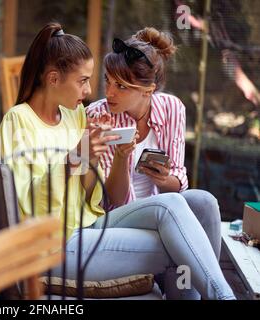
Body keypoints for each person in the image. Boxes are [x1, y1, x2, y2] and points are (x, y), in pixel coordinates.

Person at [0, 22, 235, 300]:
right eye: (83, 81)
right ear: (53, 79)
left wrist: (90, 160)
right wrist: (72, 161)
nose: (89, 92)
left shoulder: (74, 116)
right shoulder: (18, 122)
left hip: (89, 224)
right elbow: (27, 207)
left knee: (176, 204)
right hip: (53, 243)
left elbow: (88, 198)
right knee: (185, 241)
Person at [86, 27, 223, 298]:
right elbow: (112, 199)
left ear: (148, 90)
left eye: (122, 86)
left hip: (165, 206)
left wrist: (164, 179)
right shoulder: (97, 115)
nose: (109, 92)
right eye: (108, 81)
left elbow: (179, 183)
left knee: (205, 201)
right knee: (169, 207)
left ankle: (192, 295)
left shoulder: (172, 108)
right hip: (119, 214)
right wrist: (123, 156)